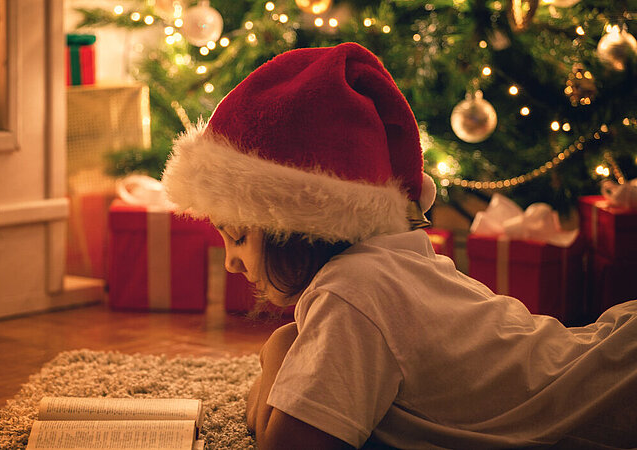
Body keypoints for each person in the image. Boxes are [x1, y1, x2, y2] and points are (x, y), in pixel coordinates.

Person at [161, 42, 637, 449]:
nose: (231, 262)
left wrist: (281, 349)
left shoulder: (351, 294)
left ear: (298, 225)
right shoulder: (397, 263)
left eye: (239, 236)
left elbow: (286, 443)